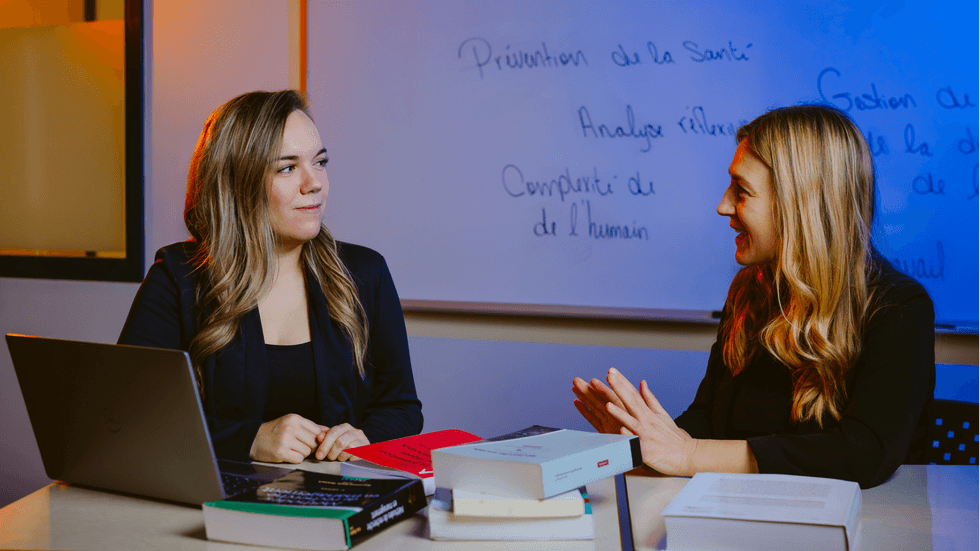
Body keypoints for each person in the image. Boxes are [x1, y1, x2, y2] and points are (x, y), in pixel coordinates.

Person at [572, 104, 935, 488]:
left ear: (800, 205)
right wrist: (643, 444)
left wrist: (687, 454)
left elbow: (864, 454)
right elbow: (707, 421)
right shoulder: (750, 292)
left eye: (741, 191)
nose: (723, 206)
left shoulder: (899, 310)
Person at [119, 90, 423, 464]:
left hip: (336, 503)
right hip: (213, 505)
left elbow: (402, 408)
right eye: (287, 167)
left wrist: (366, 438)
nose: (314, 184)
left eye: (320, 162)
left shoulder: (365, 273)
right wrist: (248, 440)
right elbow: (132, 419)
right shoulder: (178, 278)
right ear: (238, 181)